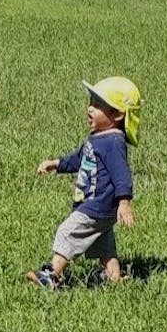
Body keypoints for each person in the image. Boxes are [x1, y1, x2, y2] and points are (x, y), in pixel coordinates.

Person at [27, 77, 141, 290]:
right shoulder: (98, 137)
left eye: (98, 105)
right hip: (99, 207)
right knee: (102, 243)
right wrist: (57, 164)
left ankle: (52, 275)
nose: (90, 108)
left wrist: (124, 202)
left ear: (117, 115)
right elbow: (79, 159)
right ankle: (114, 278)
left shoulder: (113, 142)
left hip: (97, 205)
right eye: (91, 102)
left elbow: (121, 175)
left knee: (67, 232)